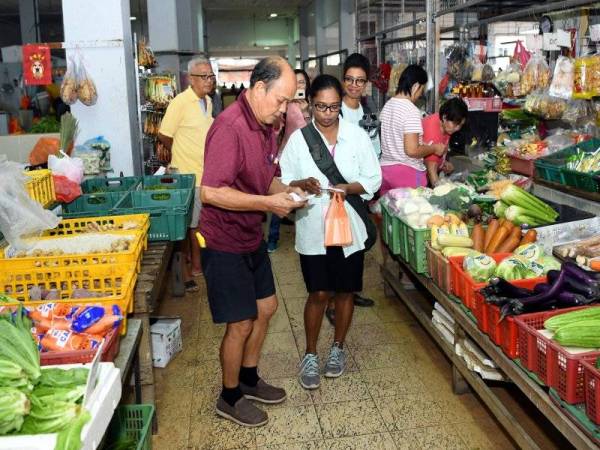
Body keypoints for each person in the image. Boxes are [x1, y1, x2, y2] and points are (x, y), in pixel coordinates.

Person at [199, 56, 307, 427]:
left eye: (288, 103)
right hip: (224, 239)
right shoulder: (229, 128)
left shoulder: (266, 124)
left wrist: (288, 194)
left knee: (267, 307)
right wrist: (267, 204)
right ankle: (228, 397)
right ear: (258, 88)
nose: (283, 111)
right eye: (280, 100)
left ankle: (248, 377)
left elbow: (266, 178)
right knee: (241, 322)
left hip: (250, 235)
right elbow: (210, 192)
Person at [280, 75, 381, 389]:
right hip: (314, 226)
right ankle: (310, 353)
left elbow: (373, 177)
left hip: (348, 224)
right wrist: (302, 184)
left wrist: (347, 187)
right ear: (310, 103)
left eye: (334, 107)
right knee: (319, 293)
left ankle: (337, 348)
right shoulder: (300, 139)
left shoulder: (356, 136)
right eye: (321, 106)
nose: (326, 113)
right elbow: (284, 179)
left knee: (345, 291)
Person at [158, 57, 215, 292]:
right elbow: (164, 134)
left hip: (206, 174)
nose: (209, 81)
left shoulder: (209, 101)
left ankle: (198, 265)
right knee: (188, 227)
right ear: (190, 79)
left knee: (199, 225)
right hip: (186, 176)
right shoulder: (180, 102)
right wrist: (179, 155)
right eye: (204, 77)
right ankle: (190, 271)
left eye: (211, 76)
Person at [379, 64, 446, 195]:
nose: (420, 95)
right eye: (421, 90)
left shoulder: (388, 105)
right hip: (406, 173)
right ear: (415, 86)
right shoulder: (411, 110)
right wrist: (434, 148)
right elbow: (411, 150)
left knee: (390, 213)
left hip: (386, 171)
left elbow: (397, 140)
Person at [267, 69, 312, 253]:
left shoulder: (313, 104)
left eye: (303, 83)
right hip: (287, 156)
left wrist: (307, 111)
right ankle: (272, 237)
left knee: (308, 194)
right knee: (283, 192)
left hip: (309, 157)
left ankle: (307, 238)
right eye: (297, 82)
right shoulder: (285, 105)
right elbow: (276, 130)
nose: (300, 86)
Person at [340, 53, 381, 157]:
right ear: (343, 81)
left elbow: (375, 152)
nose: (354, 85)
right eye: (349, 79)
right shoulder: (333, 111)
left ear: (366, 84)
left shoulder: (368, 115)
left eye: (360, 80)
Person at [423, 97, 468, 186]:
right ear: (444, 117)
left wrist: (442, 163)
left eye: (460, 125)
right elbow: (431, 169)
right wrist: (440, 192)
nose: (457, 128)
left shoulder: (446, 126)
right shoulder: (433, 132)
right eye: (455, 124)